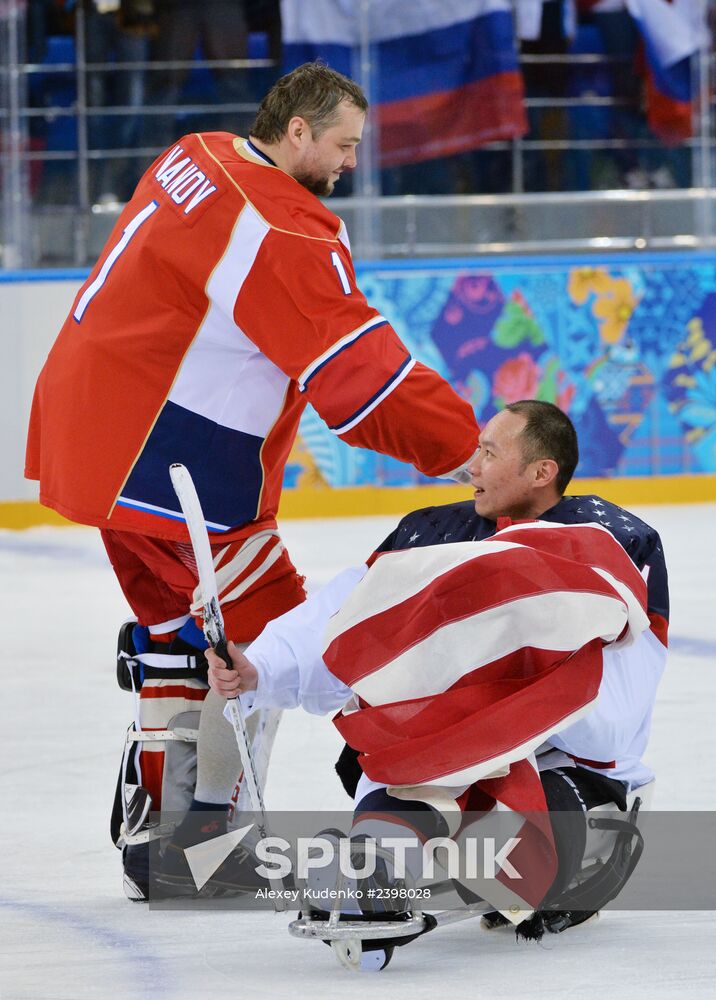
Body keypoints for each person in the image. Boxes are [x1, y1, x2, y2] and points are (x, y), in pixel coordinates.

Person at [25, 62, 479, 901]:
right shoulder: (284, 228)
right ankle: (205, 843)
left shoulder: (197, 151)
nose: (351, 162)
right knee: (261, 649)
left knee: (176, 639)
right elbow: (357, 373)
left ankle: (157, 835)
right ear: (298, 131)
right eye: (343, 144)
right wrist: (469, 444)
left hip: (90, 443)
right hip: (173, 471)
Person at [203, 400, 668, 965]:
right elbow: (348, 612)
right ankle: (372, 867)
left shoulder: (612, 536)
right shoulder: (430, 532)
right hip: (433, 744)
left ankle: (588, 852)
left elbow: (621, 675)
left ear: (542, 472)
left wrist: (506, 722)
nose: (471, 465)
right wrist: (263, 669)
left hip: (558, 755)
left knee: (526, 860)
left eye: (489, 453)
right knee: (412, 777)